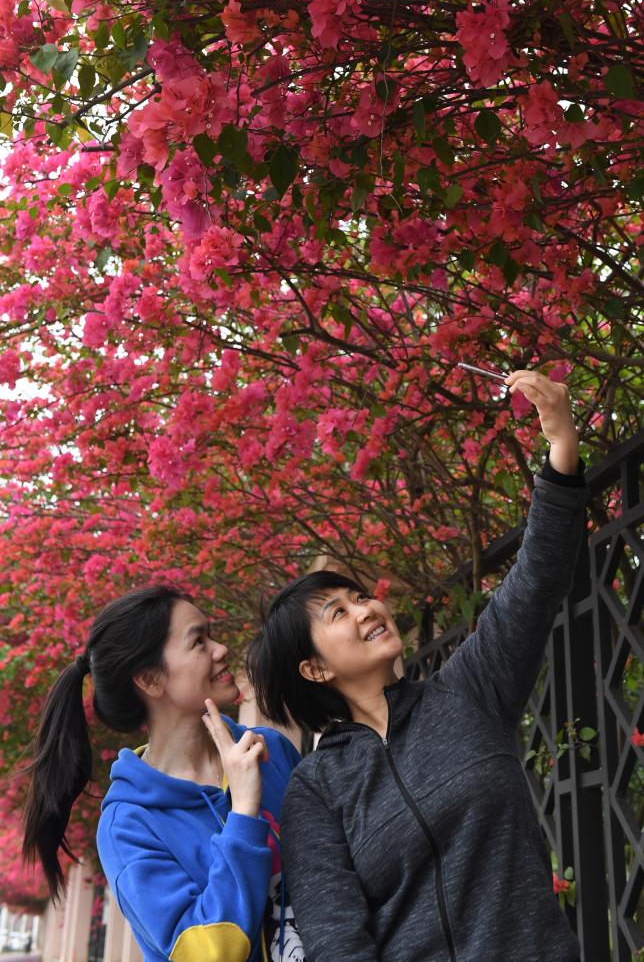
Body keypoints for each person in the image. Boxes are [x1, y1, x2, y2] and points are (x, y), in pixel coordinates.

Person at [246, 370, 587, 962]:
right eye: (338, 612)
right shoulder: (318, 789)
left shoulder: (468, 693)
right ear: (314, 670)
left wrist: (560, 446)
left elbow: (534, 584)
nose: (366, 610)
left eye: (360, 596)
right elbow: (337, 942)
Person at [22, 586, 305, 962]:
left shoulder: (270, 749)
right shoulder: (128, 825)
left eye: (211, 635)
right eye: (198, 641)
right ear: (150, 679)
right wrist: (243, 813)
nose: (221, 649)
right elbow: (210, 954)